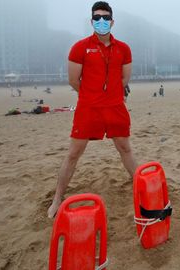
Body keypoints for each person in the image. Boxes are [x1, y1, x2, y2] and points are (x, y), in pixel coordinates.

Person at [47, 1, 137, 218]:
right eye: (97, 18)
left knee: (125, 148)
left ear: (112, 21)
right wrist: (91, 96)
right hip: (89, 108)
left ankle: (139, 186)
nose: (101, 21)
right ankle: (58, 197)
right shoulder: (80, 47)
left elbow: (124, 79)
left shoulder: (123, 48)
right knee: (73, 154)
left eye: (105, 17)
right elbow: (73, 80)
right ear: (92, 21)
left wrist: (110, 96)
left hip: (115, 107)